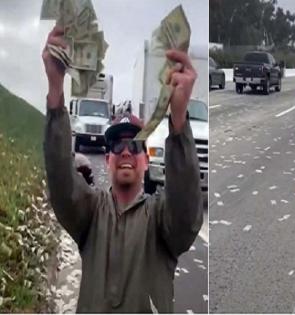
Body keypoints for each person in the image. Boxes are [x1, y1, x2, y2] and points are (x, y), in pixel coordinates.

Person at [42, 26, 202, 313]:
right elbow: (61, 183)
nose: (126, 151)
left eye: (136, 146)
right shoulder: (90, 214)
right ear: (107, 160)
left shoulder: (160, 220)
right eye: (116, 145)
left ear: (145, 160)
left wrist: (178, 120)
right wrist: (55, 89)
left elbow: (187, 213)